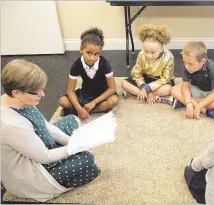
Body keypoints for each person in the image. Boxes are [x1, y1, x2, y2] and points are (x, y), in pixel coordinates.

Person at [1, 59, 100, 201]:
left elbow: (46, 126)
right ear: (16, 92)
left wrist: (73, 141)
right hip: (33, 172)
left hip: (35, 146)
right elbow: (44, 157)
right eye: (37, 92)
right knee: (86, 159)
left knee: (71, 120)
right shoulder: (11, 125)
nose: (43, 94)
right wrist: (75, 146)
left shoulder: (13, 99)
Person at [59, 27, 119, 120]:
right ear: (81, 49)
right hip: (85, 93)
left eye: (96, 54)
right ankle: (84, 110)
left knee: (114, 100)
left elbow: (111, 89)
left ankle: (87, 110)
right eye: (89, 53)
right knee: (63, 101)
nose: (92, 58)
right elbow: (70, 90)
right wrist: (79, 108)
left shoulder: (105, 64)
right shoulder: (76, 65)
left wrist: (93, 103)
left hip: (101, 93)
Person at [121, 24, 175, 105]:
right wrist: (144, 87)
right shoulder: (141, 55)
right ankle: (153, 96)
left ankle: (138, 94)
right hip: (145, 78)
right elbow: (136, 73)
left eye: (153, 52)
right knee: (123, 83)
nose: (149, 55)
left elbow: (166, 78)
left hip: (160, 81)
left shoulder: (169, 57)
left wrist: (148, 88)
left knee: (169, 89)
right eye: (146, 51)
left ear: (161, 49)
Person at [171, 41, 214, 120]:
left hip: (211, 92)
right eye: (184, 62)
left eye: (190, 63)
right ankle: (203, 109)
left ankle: (187, 103)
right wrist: (189, 104)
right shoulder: (187, 66)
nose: (186, 66)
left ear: (202, 61)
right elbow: (185, 87)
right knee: (174, 89)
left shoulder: (212, 67)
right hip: (196, 89)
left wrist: (199, 105)